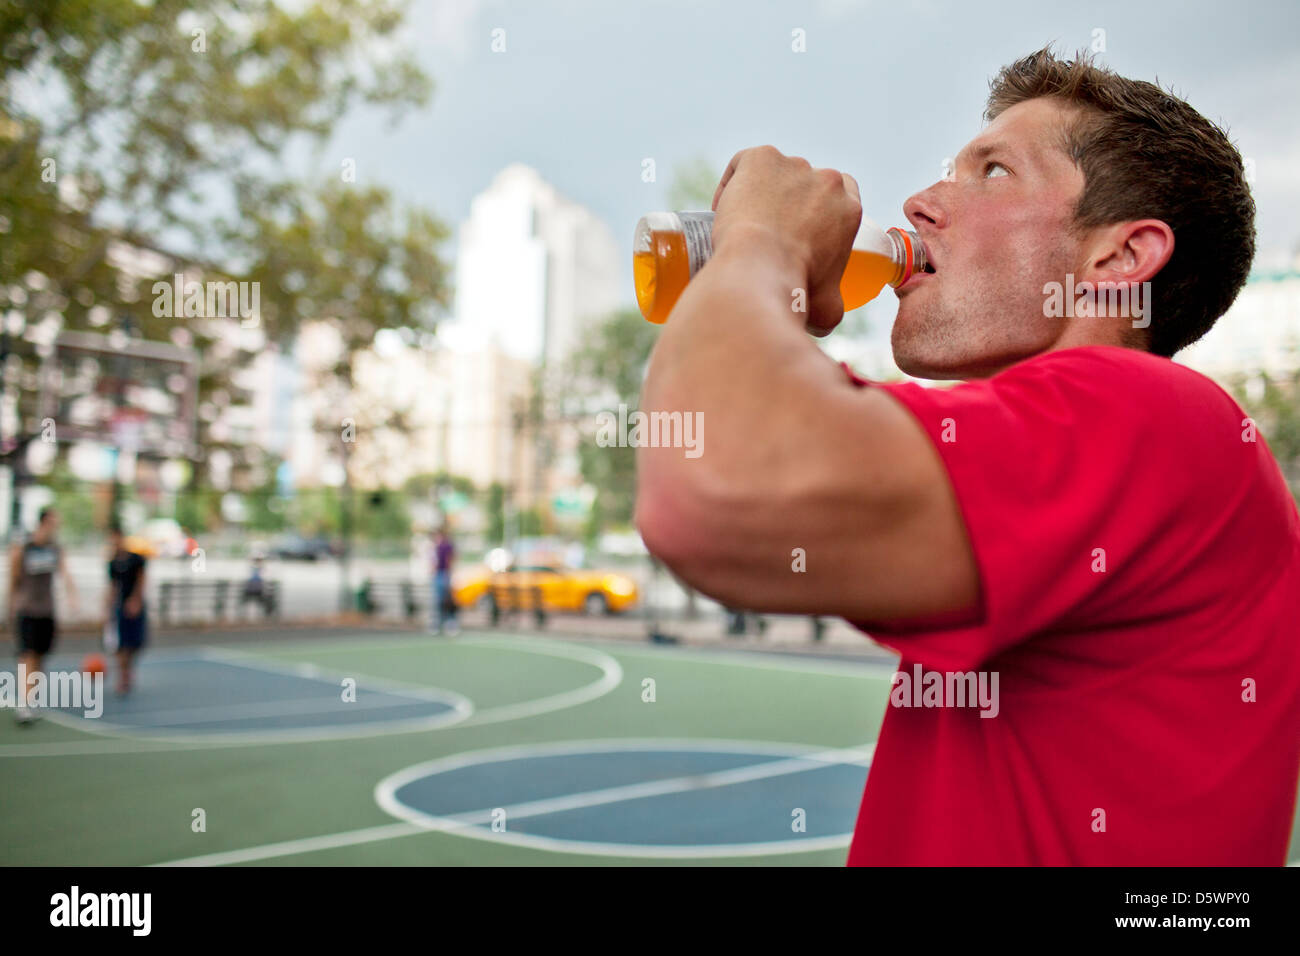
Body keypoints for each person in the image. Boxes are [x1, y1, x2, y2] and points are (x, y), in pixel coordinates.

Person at [635, 47, 1300, 865]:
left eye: (991, 172)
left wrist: (761, 244)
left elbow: (714, 483)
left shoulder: (1157, 417)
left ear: (1121, 261)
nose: (918, 203)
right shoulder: (1070, 447)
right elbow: (759, 428)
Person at [8, 507, 78, 724]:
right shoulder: (24, 547)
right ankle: (25, 704)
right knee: (27, 655)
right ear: (43, 522)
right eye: (53, 522)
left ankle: (33, 699)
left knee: (40, 657)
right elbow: (13, 580)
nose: (56, 526)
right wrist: (9, 609)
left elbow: (65, 573)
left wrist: (72, 595)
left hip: (46, 611)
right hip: (27, 609)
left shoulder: (55, 549)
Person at [105, 522, 148, 696]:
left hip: (135, 606)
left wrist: (136, 600)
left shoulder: (135, 559)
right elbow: (113, 587)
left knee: (135, 644)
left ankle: (128, 670)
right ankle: (123, 677)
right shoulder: (113, 563)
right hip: (120, 608)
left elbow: (141, 580)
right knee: (120, 645)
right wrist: (108, 606)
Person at [430, 525, 458, 635]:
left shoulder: (446, 546)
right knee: (438, 601)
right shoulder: (435, 547)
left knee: (447, 600)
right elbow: (433, 563)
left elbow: (450, 560)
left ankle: (450, 623)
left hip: (445, 574)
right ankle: (438, 623)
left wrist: (449, 574)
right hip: (438, 575)